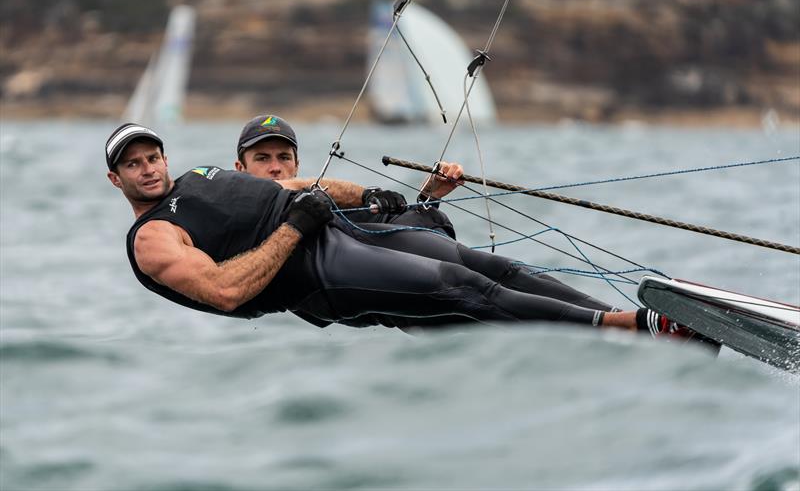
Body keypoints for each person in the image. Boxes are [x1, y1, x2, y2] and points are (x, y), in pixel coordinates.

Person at [105, 122, 711, 344]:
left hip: (336, 233)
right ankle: (634, 328)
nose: (149, 168)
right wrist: (296, 229)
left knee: (492, 266)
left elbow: (299, 186)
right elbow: (225, 290)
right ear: (117, 180)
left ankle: (628, 323)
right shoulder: (152, 237)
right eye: (133, 164)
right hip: (315, 274)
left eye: (152, 155)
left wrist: (366, 195)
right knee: (453, 283)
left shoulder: (201, 177)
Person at [233, 114, 461, 239]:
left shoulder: (321, 204)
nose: (275, 167)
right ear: (240, 169)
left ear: (297, 166)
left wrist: (430, 197)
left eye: (284, 158)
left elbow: (405, 230)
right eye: (262, 159)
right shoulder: (226, 209)